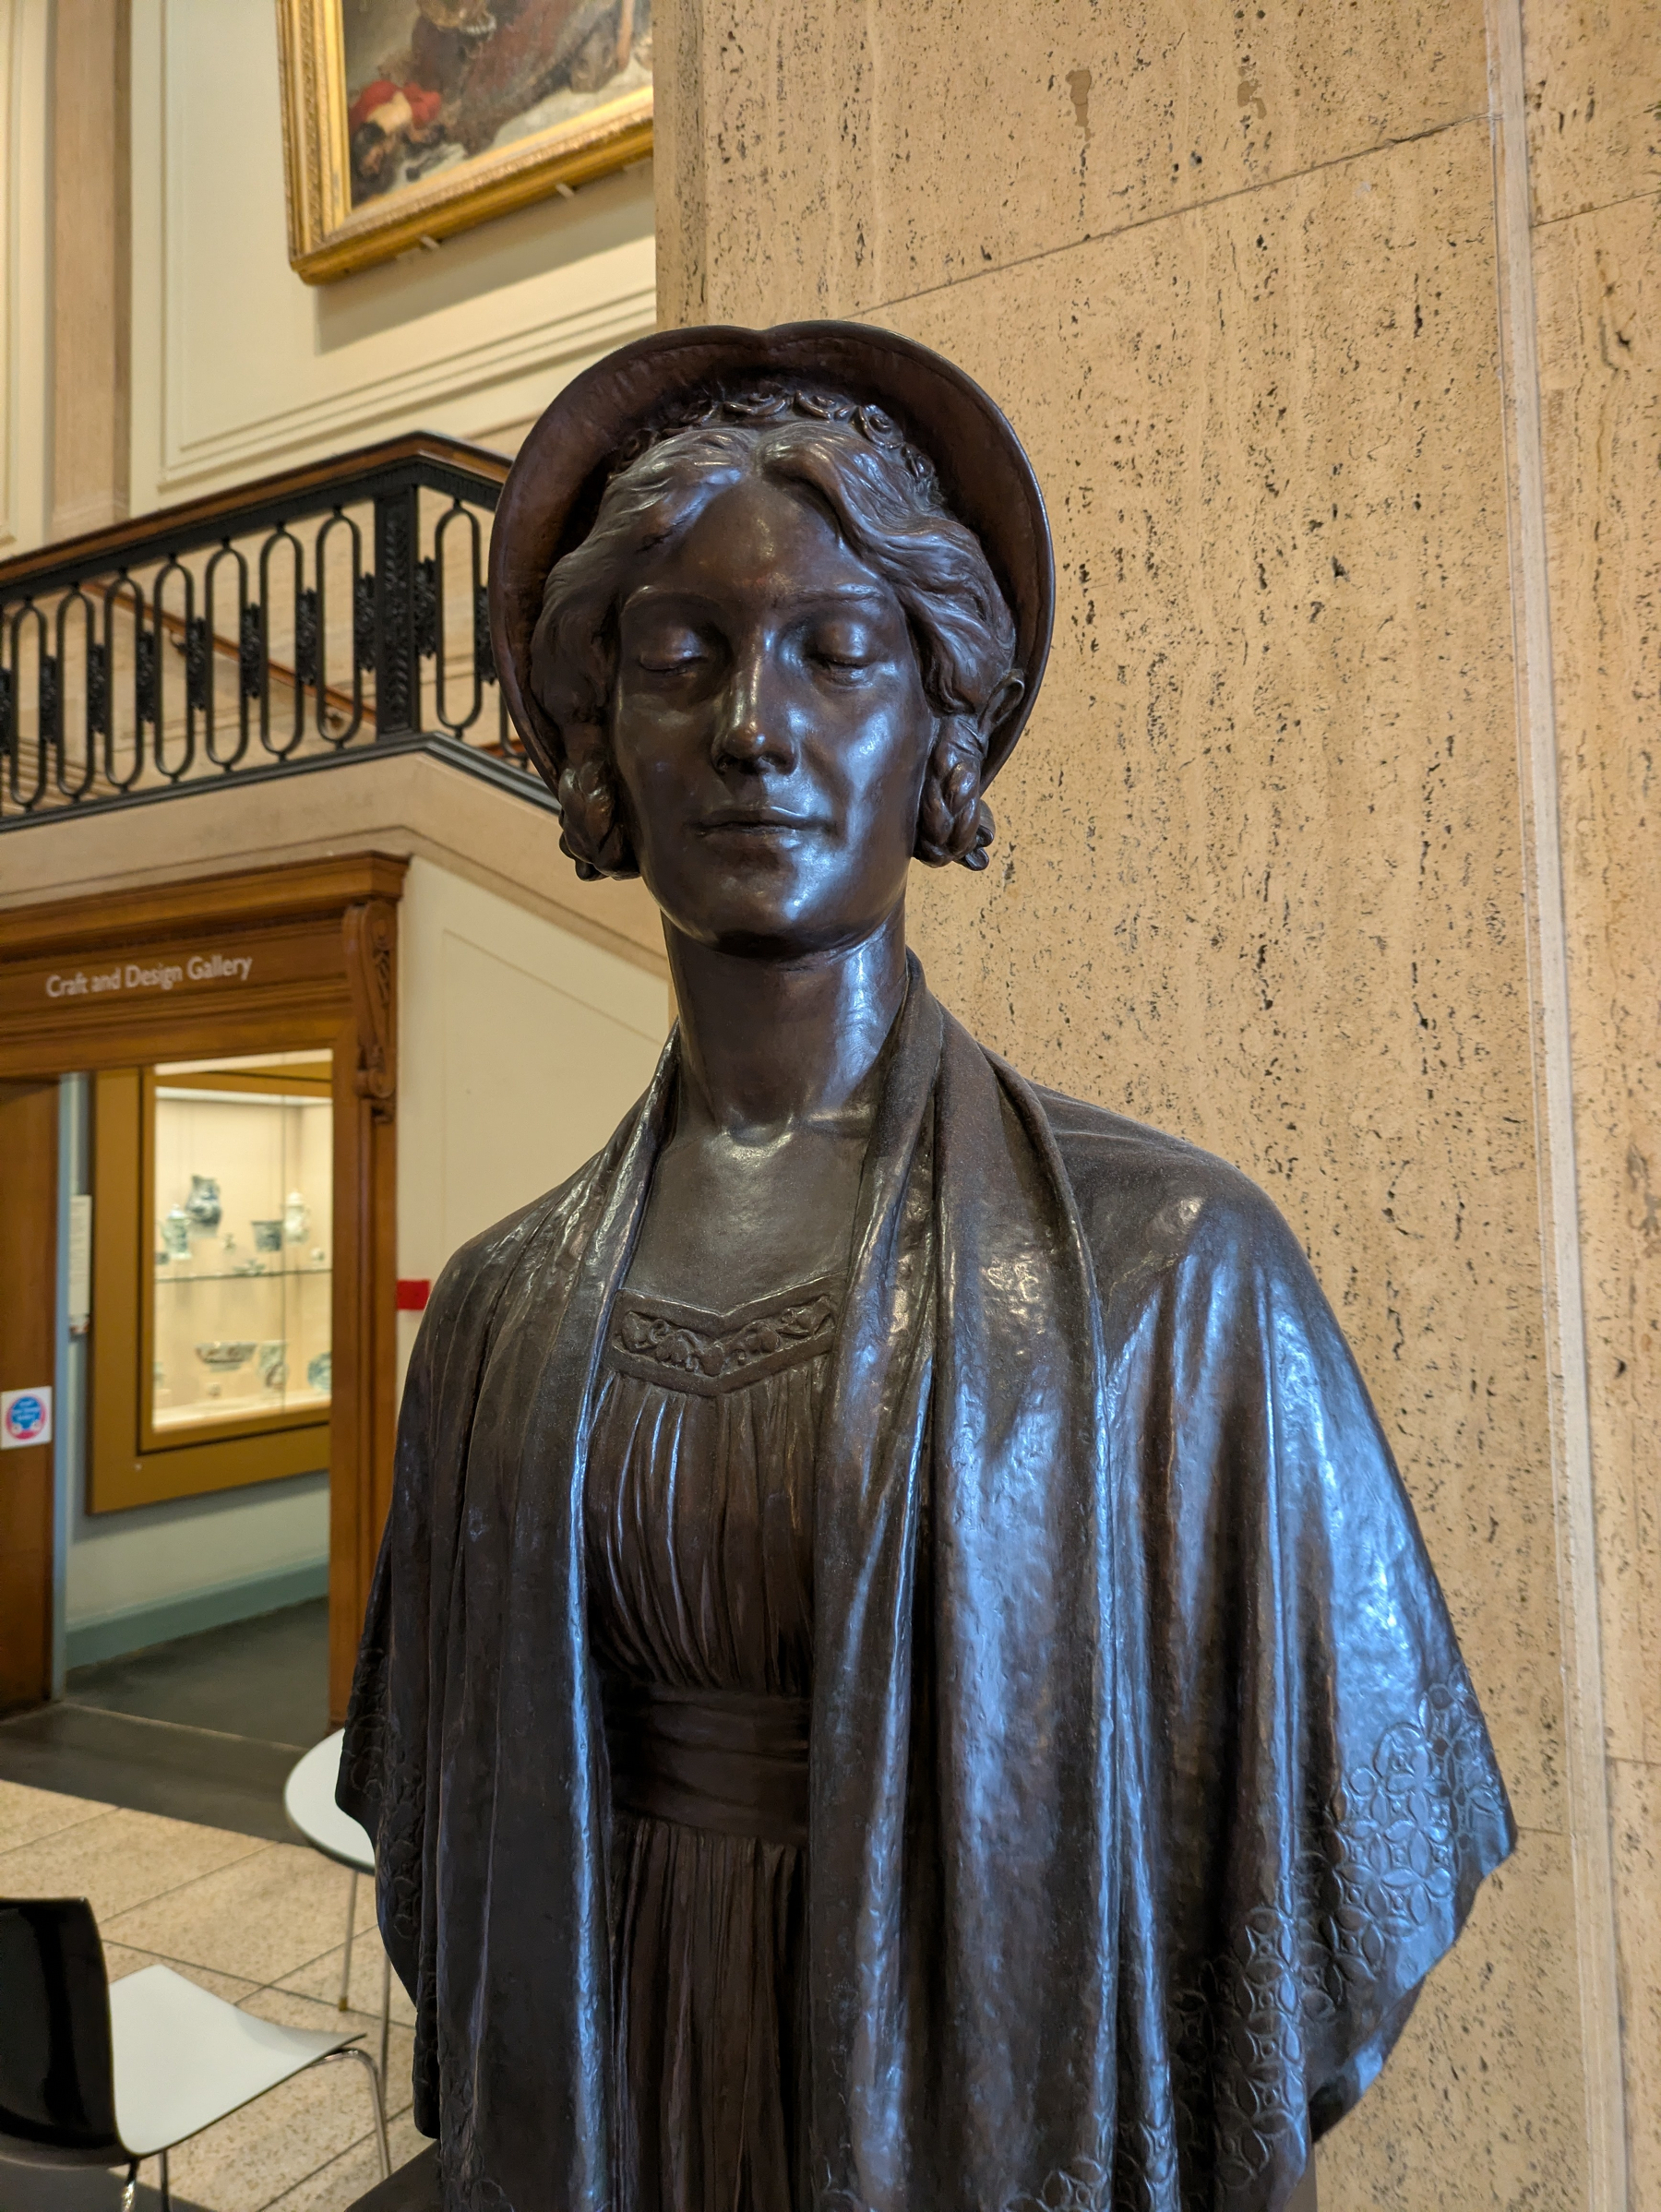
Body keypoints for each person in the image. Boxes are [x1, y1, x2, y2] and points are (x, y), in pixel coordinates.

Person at [339, 322, 1512, 2212]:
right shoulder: (496, 1308)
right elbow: (443, 1845)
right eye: (679, 654)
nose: (755, 724)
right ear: (600, 736)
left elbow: (1330, 1890)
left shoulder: (1178, 1275)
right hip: (621, 2093)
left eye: (837, 648)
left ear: (941, 726)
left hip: (987, 2114)